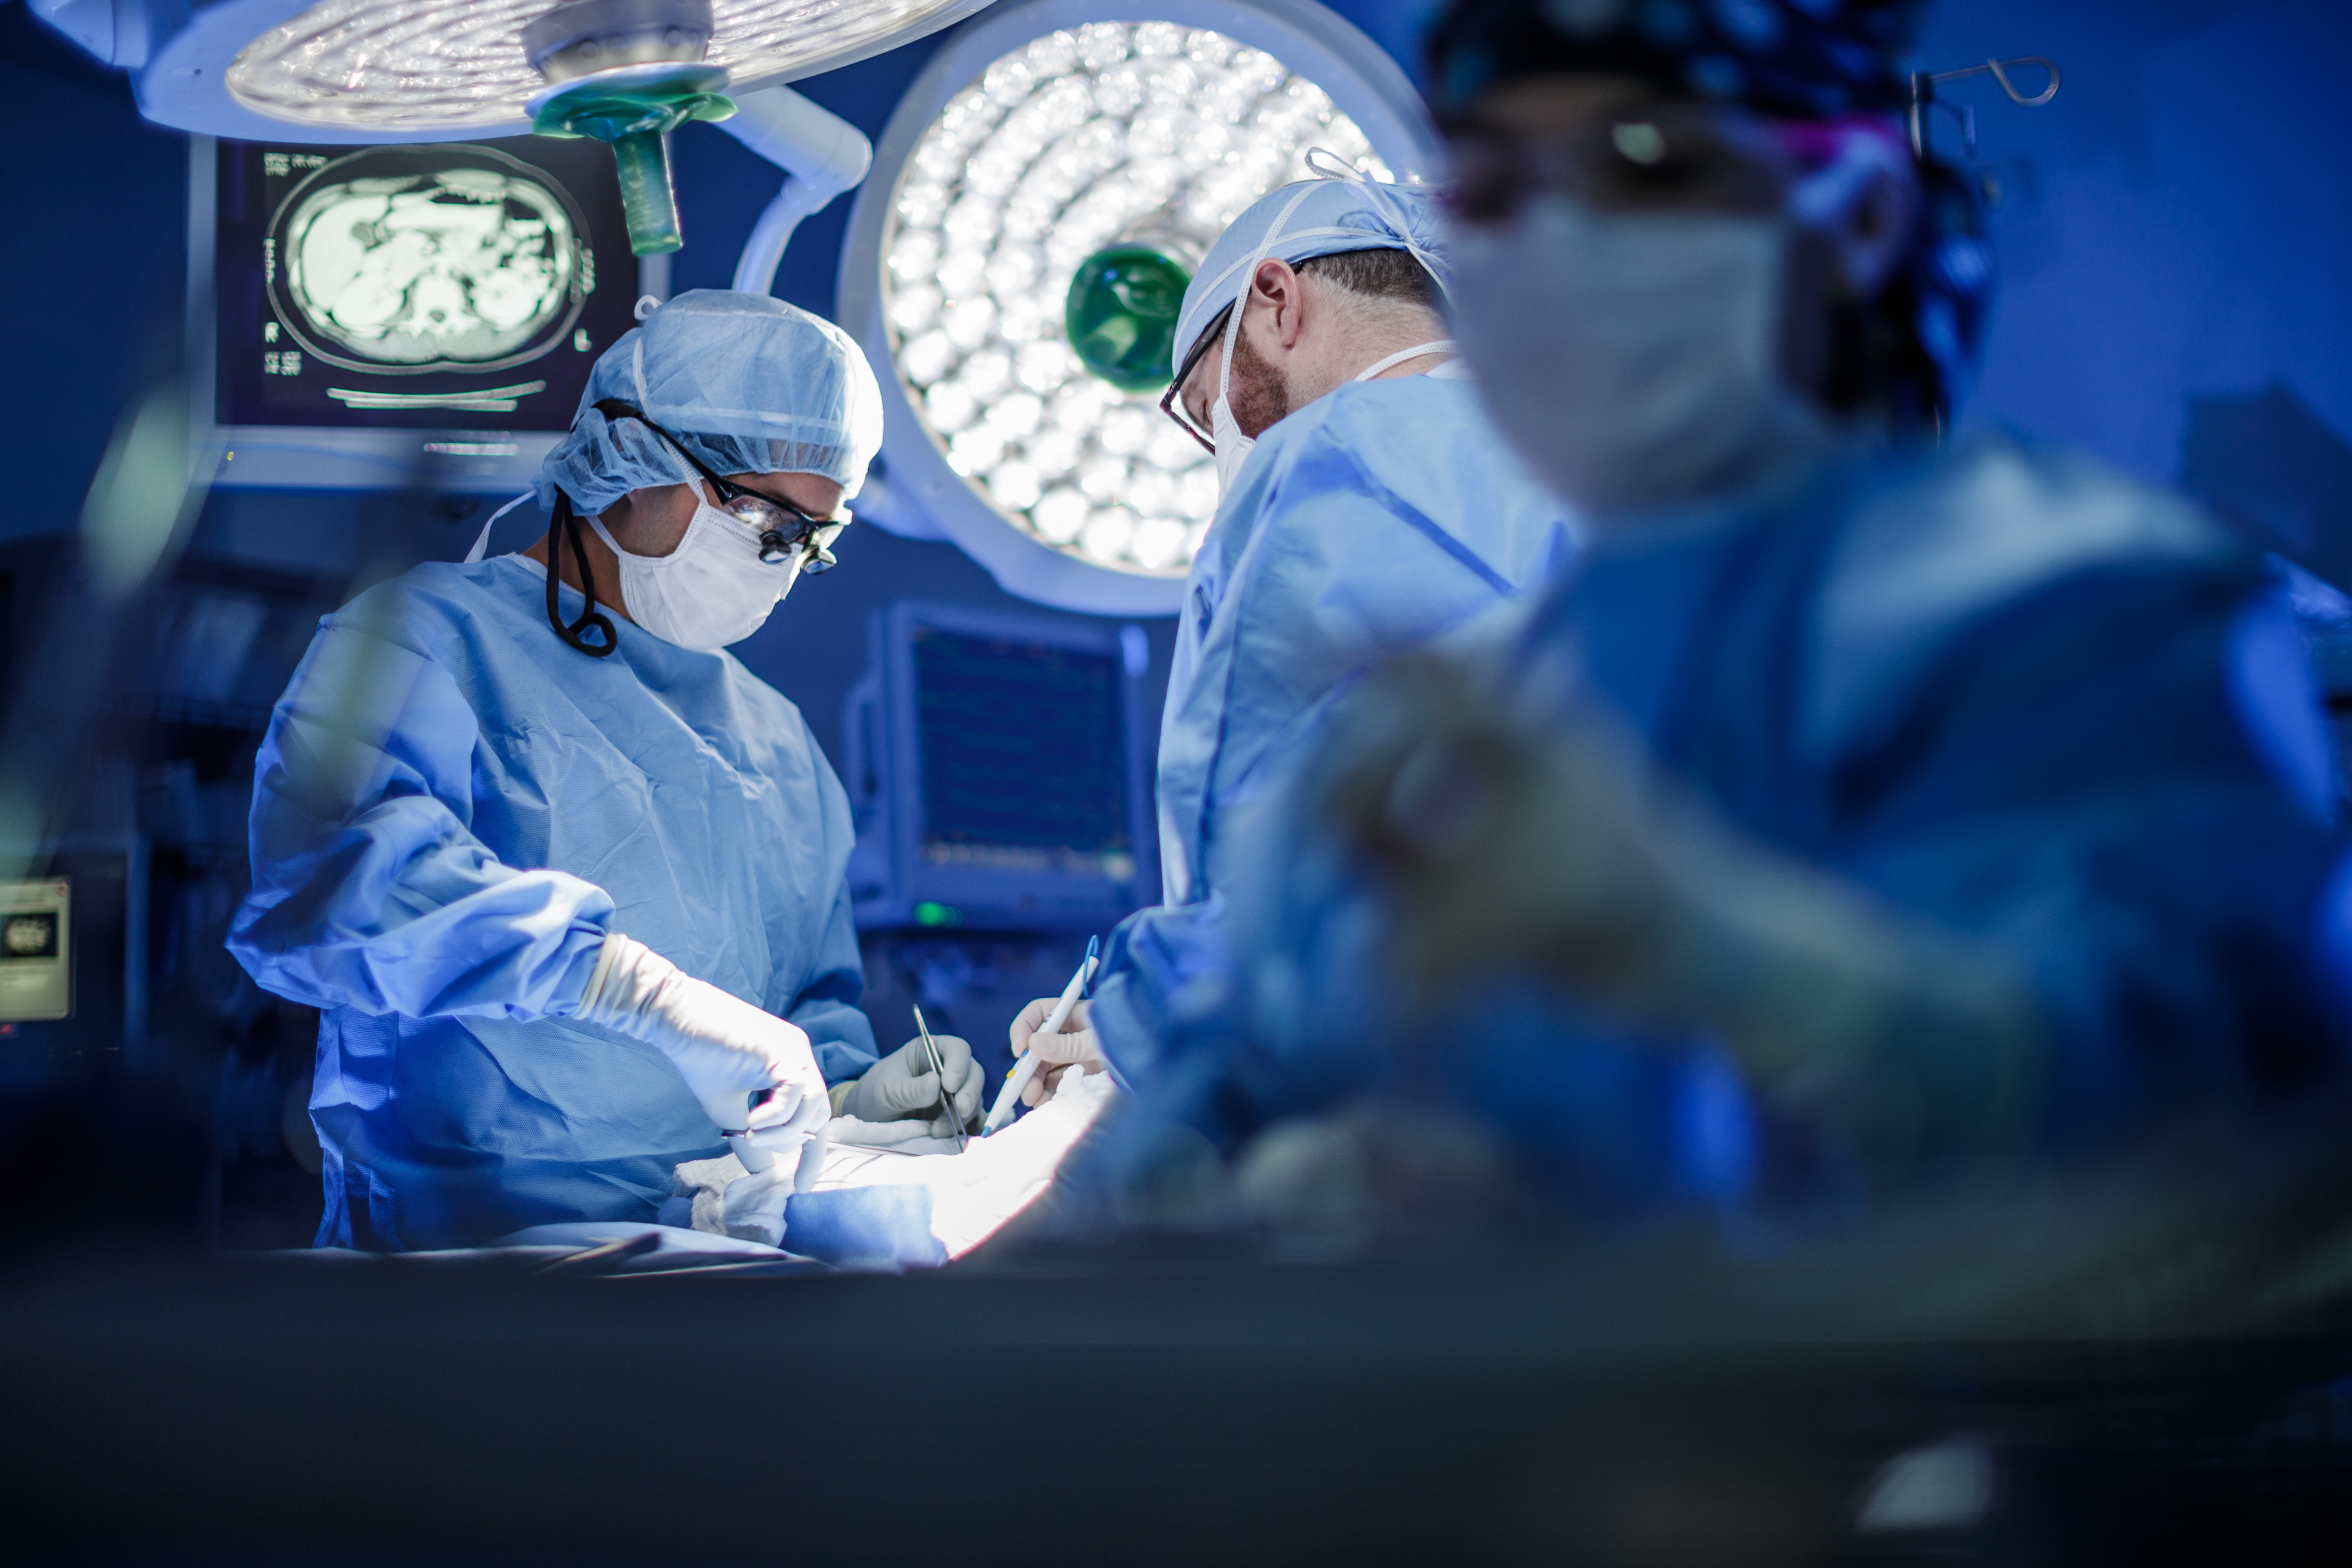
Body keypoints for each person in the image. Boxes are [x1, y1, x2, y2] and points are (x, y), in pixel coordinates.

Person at [1076, 0, 2351, 1225]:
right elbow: (1222, 1077)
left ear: (1849, 216)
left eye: (1631, 172)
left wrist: (1749, 971)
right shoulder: (1537, 672)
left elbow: (2221, 1103)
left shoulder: (2092, 611)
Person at [229, 291, 978, 1250]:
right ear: (636, 458)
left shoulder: (778, 742)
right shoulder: (423, 642)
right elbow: (324, 891)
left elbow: (806, 1005)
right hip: (460, 1285)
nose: (784, 563)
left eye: (812, 541)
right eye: (765, 518)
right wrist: (633, 993)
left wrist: (852, 1091)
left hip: (723, 1264)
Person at [1007, 168, 1578, 1102]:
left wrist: (1139, 1021)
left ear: (1274, 298)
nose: (1221, 449)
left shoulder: (1323, 460)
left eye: (1206, 410)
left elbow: (1252, 860)